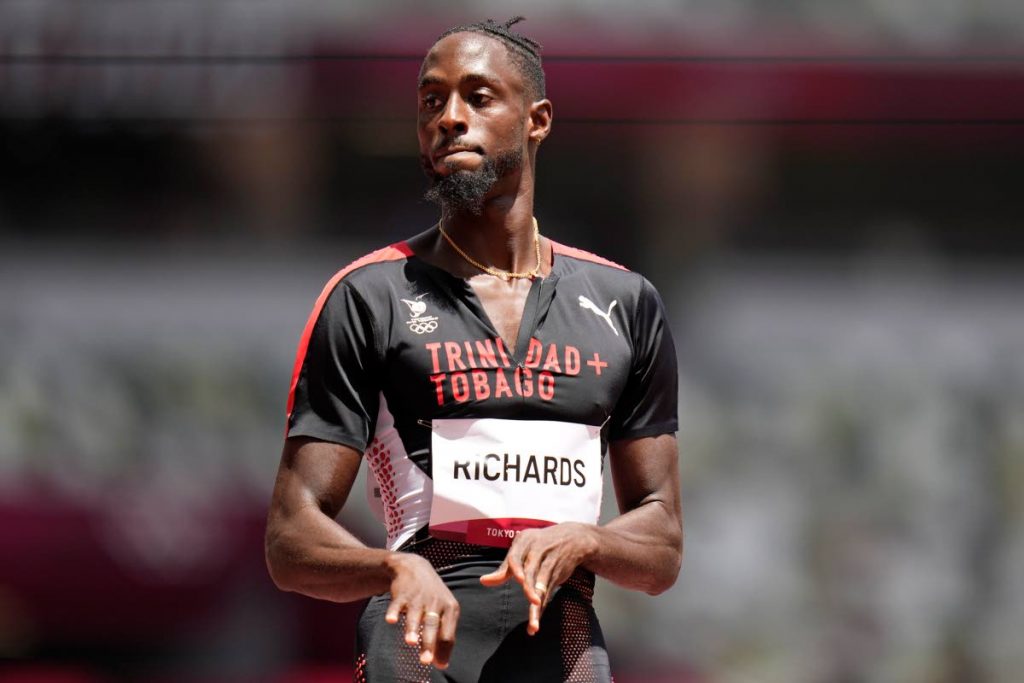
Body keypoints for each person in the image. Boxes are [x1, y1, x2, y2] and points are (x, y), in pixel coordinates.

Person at [265, 17, 682, 683]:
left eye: (479, 97)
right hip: (420, 635)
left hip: (562, 637)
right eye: (432, 101)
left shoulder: (625, 304)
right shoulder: (369, 295)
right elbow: (291, 536)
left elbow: (661, 545)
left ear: (537, 119)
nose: (450, 118)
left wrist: (590, 537)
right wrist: (394, 565)